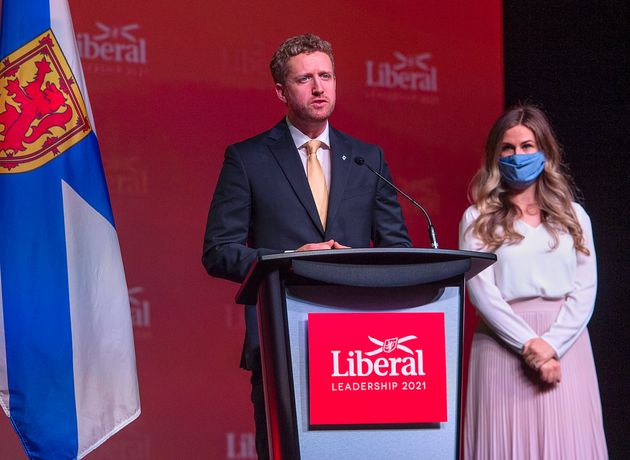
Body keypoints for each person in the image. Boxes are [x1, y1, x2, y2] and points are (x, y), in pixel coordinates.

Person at [202, 33, 411, 459]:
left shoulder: (367, 157)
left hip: (362, 349)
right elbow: (218, 250)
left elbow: (397, 250)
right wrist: (287, 261)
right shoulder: (248, 158)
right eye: (305, 79)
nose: (319, 88)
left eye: (326, 76)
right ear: (281, 91)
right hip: (284, 339)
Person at [459, 104, 608, 459]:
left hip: (566, 348)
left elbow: (585, 290)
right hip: (502, 346)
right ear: (496, 156)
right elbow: (482, 294)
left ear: (545, 152)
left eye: (527, 146)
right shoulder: (477, 217)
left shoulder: (574, 216)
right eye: (507, 148)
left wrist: (551, 347)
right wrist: (532, 347)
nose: (517, 155)